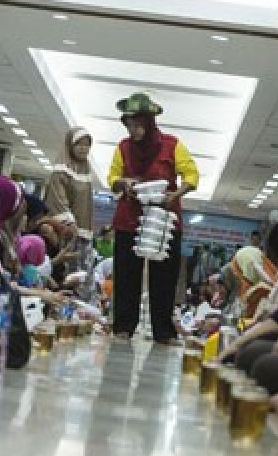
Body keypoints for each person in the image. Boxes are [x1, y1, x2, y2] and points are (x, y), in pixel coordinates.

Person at [106, 92, 199, 344]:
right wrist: (122, 182)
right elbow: (112, 178)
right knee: (126, 275)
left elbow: (191, 175)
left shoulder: (172, 144)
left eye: (139, 124)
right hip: (129, 218)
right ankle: (124, 326)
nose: (134, 130)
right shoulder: (123, 147)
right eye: (130, 124)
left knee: (164, 277)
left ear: (150, 123)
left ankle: (163, 331)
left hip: (164, 218)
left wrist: (176, 194)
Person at [45, 127, 94, 240]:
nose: (83, 148)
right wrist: (69, 222)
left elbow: (86, 204)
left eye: (87, 145)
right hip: (63, 229)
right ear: (70, 145)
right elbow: (58, 198)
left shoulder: (86, 168)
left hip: (81, 232)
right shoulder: (61, 169)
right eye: (79, 144)